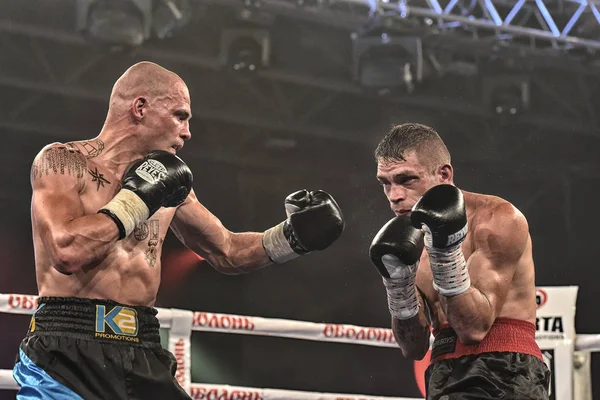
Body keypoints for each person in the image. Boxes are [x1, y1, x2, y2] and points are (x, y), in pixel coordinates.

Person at [13, 61, 345, 400]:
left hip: (142, 348)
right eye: (180, 116)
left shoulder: (172, 188)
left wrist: (293, 236)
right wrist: (137, 199)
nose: (187, 132)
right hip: (67, 351)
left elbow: (227, 251)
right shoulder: (64, 161)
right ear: (140, 107)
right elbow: (67, 251)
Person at [368, 123, 550, 399]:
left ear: (443, 174)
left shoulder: (496, 218)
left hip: (506, 368)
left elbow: (474, 329)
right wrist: (398, 286)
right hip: (442, 370)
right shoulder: (408, 241)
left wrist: (444, 251)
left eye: (407, 180)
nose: (395, 196)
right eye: (386, 183)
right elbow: (413, 347)